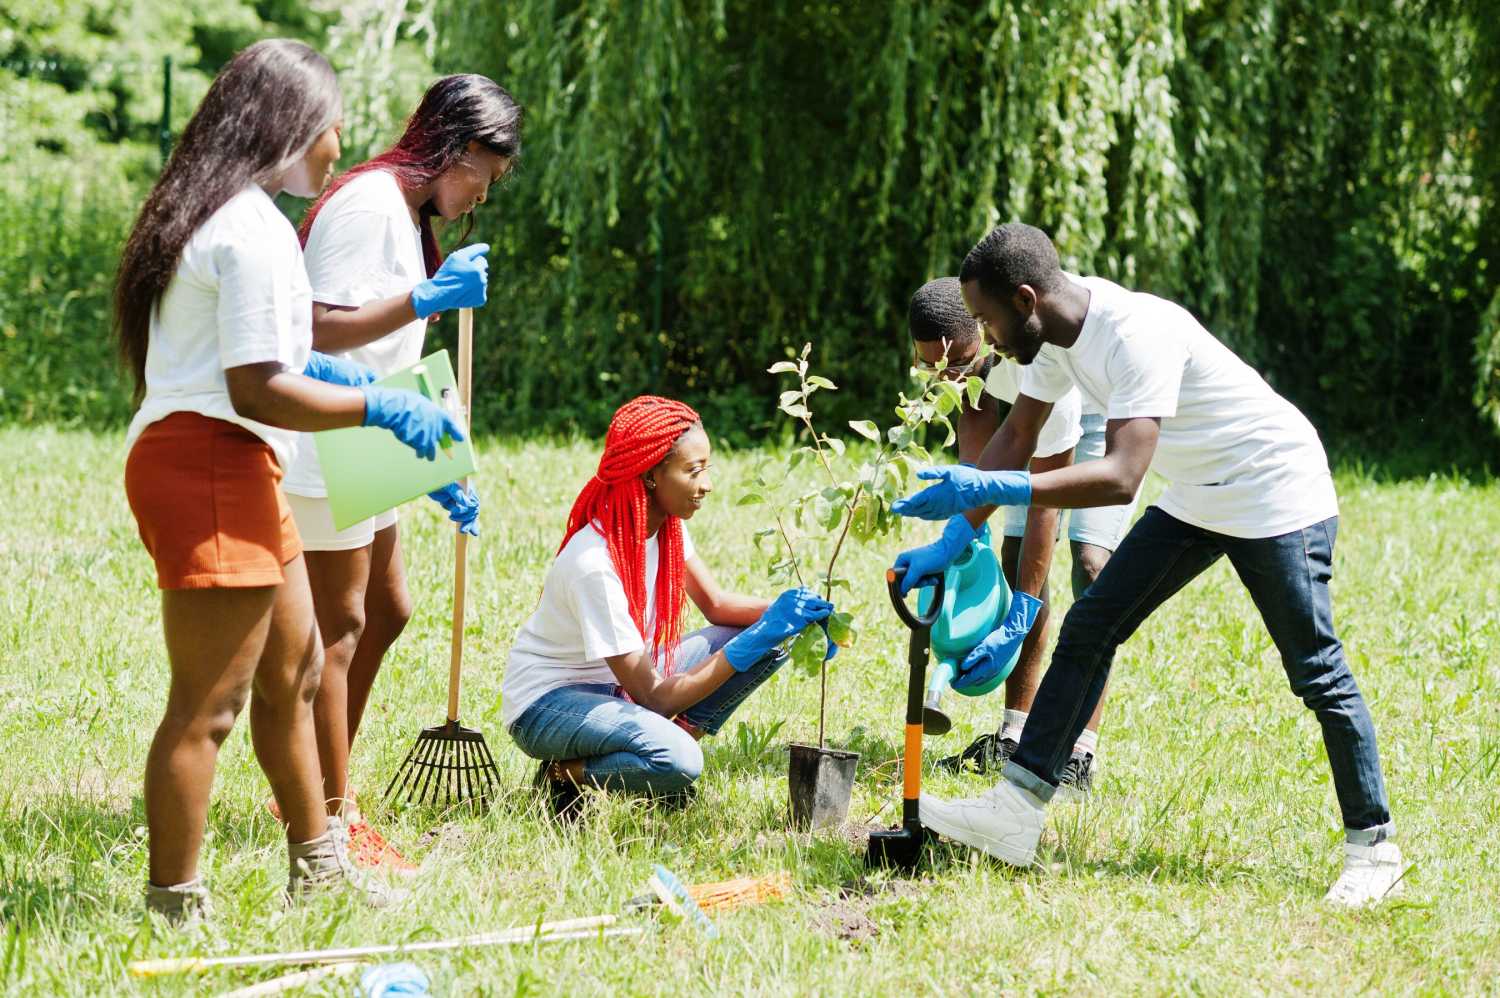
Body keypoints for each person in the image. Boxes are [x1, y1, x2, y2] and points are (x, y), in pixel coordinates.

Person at [890, 223, 1404, 906]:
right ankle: (1017, 809)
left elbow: (1124, 476)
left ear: (1024, 299)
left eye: (986, 319)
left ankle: (1374, 849)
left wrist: (999, 488)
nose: (986, 338)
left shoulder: (1135, 333)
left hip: (1276, 491)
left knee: (1315, 669)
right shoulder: (1051, 337)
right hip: (1199, 493)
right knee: (1093, 623)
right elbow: (1017, 436)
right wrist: (951, 543)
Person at [115, 39, 464, 923]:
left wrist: (360, 387)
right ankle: (175, 907)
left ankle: (320, 869)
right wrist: (377, 413)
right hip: (207, 461)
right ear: (285, 128)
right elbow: (255, 384)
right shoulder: (246, 225)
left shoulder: (227, 213)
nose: (338, 148)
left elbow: (287, 350)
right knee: (209, 707)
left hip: (235, 460)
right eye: (329, 129)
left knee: (300, 669)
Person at [279, 74, 523, 873]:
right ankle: (332, 823)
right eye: (480, 179)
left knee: (389, 607)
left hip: (369, 426)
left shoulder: (407, 213)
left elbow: (385, 362)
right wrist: (426, 298)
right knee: (340, 630)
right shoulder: (365, 205)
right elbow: (315, 331)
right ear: (450, 150)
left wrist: (434, 458)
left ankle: (311, 782)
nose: (480, 198)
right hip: (324, 437)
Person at [503, 396, 837, 816]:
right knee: (679, 760)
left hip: (618, 687)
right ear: (649, 477)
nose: (707, 484)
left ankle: (656, 754)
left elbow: (716, 606)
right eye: (693, 470)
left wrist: (791, 614)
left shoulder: (666, 529)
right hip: (549, 706)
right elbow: (655, 698)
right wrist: (751, 641)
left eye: (706, 468)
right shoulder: (594, 563)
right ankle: (564, 774)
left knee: (770, 640)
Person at [907, 277, 1139, 790]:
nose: (947, 375)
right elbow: (977, 436)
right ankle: (1014, 734)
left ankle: (1080, 750)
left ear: (982, 327)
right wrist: (970, 534)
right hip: (1026, 424)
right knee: (1013, 560)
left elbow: (1045, 504)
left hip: (1100, 419)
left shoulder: (1032, 354)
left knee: (1089, 564)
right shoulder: (953, 362)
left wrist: (1020, 612)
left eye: (958, 361)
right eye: (932, 366)